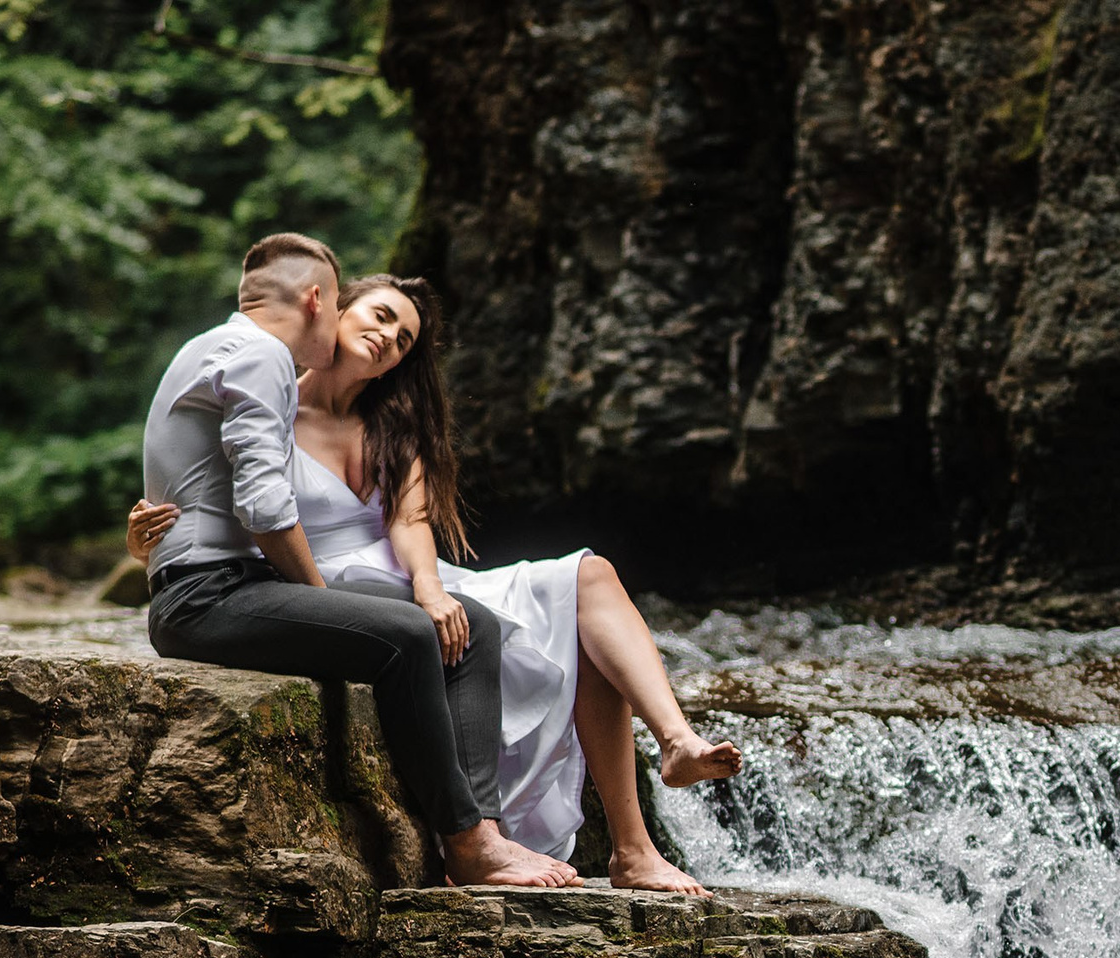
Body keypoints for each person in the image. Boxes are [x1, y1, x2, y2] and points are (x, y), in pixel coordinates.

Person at [128, 270, 741, 895]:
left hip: (398, 572)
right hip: (311, 578)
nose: (390, 337)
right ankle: (525, 840)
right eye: (381, 316)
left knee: (583, 579)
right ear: (335, 309)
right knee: (519, 621)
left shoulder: (392, 424)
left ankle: (670, 755)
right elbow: (214, 484)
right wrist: (146, 539)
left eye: (404, 339)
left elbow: (411, 520)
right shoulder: (270, 387)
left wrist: (428, 586)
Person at [138, 232, 577, 888]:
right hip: (205, 597)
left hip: (227, 583)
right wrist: (324, 598)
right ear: (318, 300)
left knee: (473, 624)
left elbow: (197, 477)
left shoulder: (217, 347)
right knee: (405, 635)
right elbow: (264, 506)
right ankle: (464, 838)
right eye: (346, 302)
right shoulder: (261, 357)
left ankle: (482, 830)